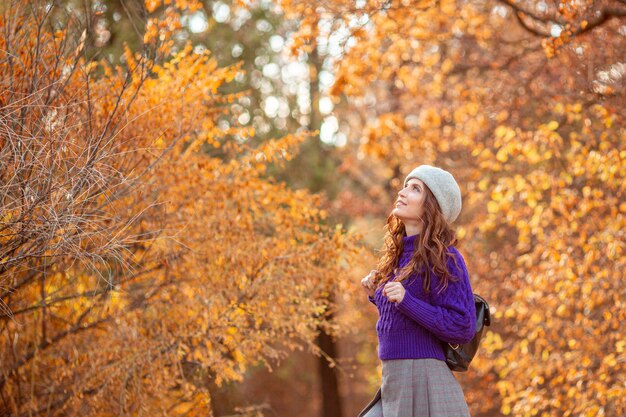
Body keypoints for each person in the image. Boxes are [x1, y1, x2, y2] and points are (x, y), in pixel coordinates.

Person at [358, 165, 476, 417]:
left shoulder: (446, 259)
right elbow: (405, 316)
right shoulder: (396, 256)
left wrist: (406, 300)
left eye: (415, 188)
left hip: (423, 378)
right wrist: (375, 294)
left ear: (431, 205)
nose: (402, 192)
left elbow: (463, 326)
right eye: (405, 185)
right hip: (393, 377)